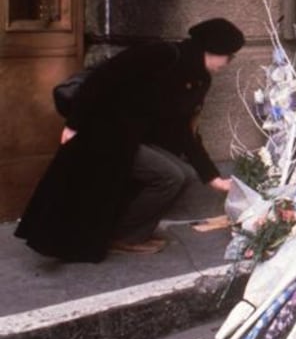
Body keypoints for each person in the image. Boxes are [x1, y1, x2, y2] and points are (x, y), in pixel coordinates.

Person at [15, 18, 245, 263]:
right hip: (104, 133)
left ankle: (127, 232)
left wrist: (212, 177)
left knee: (183, 173)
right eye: (228, 56)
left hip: (131, 138)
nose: (227, 63)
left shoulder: (199, 79)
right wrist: (74, 124)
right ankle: (124, 236)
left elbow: (182, 129)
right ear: (212, 48)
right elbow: (101, 79)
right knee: (170, 176)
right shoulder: (163, 54)